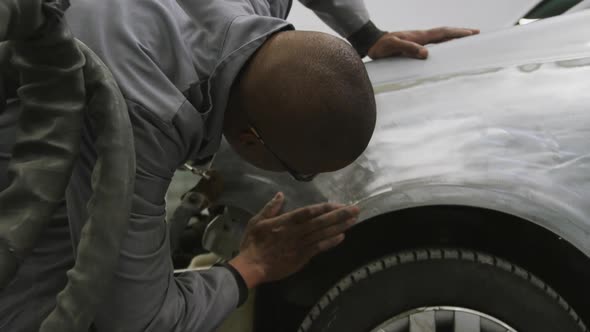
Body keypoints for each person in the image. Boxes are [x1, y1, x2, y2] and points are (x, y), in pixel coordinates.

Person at [0, 0, 478, 331]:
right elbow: (137, 320)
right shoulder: (131, 125)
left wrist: (366, 35)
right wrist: (250, 268)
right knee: (46, 304)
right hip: (38, 111)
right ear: (250, 140)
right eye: (300, 171)